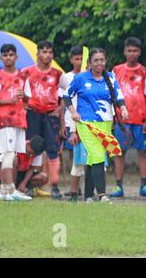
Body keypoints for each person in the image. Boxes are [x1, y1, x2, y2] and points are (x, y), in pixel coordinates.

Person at [64, 47, 129, 202]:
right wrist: (74, 112)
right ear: (90, 63)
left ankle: (87, 196)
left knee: (95, 158)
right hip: (86, 123)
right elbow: (67, 95)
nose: (99, 63)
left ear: (105, 61)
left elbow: (119, 97)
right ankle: (102, 194)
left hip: (106, 122)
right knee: (97, 154)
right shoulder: (81, 78)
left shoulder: (111, 77)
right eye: (96, 60)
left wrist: (123, 109)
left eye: (102, 60)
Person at [111, 37, 146, 197]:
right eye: (129, 50)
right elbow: (111, 94)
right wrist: (113, 117)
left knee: (143, 152)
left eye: (135, 51)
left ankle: (144, 187)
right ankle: (118, 187)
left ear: (139, 52)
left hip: (141, 120)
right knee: (119, 152)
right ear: (124, 52)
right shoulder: (116, 71)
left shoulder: (145, 72)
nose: (132, 54)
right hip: (121, 121)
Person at [0, 44, 34, 201]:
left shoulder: (22, 77)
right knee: (8, 154)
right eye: (5, 55)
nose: (8, 58)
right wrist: (11, 100)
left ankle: (4, 192)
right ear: (1, 58)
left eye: (11, 55)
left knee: (12, 156)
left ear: (16, 57)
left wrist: (23, 97)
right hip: (5, 121)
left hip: (20, 120)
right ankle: (11, 190)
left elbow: (29, 98)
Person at [22, 41, 64, 199]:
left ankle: (55, 186)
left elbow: (68, 93)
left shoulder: (58, 74)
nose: (47, 55)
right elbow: (19, 93)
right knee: (33, 149)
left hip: (50, 116)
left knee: (53, 151)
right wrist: (24, 105)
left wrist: (60, 109)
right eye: (44, 52)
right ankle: (30, 186)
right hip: (32, 114)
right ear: (37, 54)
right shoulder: (26, 72)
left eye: (50, 52)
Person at [58, 46, 86, 202]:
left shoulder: (89, 77)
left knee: (87, 156)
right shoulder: (65, 77)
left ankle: (88, 188)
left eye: (82, 59)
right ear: (71, 60)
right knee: (73, 155)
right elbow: (63, 102)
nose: (79, 61)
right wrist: (62, 124)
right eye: (76, 59)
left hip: (86, 121)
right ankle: (75, 188)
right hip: (71, 121)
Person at [0, 136, 46, 200]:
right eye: (31, 152)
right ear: (28, 144)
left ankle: (24, 190)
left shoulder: (38, 152)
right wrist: (4, 182)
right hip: (9, 174)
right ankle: (11, 190)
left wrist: (24, 182)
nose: (31, 155)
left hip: (22, 174)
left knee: (43, 177)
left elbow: (32, 168)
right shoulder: (17, 146)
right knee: (14, 160)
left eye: (34, 154)